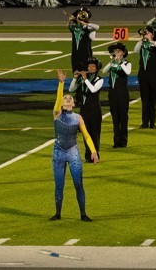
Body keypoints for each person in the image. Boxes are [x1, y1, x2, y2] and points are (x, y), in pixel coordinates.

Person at [50, 69, 98, 222]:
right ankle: (57, 214)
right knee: (59, 185)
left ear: (74, 103)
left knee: (78, 184)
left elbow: (87, 135)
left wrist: (93, 151)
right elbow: (58, 101)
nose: (68, 98)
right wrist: (61, 83)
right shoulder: (57, 113)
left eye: (70, 98)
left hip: (73, 152)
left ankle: (83, 214)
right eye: (66, 98)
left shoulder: (78, 117)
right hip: (58, 152)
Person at [69, 57, 104, 162]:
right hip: (84, 110)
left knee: (94, 133)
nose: (90, 68)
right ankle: (88, 156)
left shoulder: (99, 79)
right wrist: (75, 78)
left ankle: (95, 155)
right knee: (85, 132)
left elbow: (93, 90)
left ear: (97, 68)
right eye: (89, 66)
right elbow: (71, 89)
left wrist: (85, 79)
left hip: (94, 110)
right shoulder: (84, 78)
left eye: (93, 66)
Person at [134, 26, 156, 129]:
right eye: (144, 33)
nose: (145, 35)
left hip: (154, 74)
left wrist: (151, 41)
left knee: (153, 99)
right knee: (145, 99)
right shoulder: (142, 44)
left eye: (147, 33)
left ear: (152, 34)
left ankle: (152, 122)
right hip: (143, 74)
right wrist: (141, 40)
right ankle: (144, 122)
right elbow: (135, 50)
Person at [103, 43, 131, 149]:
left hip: (122, 92)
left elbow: (127, 72)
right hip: (113, 92)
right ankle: (116, 141)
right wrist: (112, 62)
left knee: (123, 117)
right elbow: (104, 70)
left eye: (119, 51)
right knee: (115, 117)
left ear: (123, 53)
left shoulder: (127, 63)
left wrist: (120, 62)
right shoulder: (112, 63)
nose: (116, 53)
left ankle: (123, 142)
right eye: (115, 51)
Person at [69, 7, 98, 74]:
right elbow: (69, 25)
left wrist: (86, 25)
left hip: (86, 53)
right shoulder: (75, 27)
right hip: (75, 53)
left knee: (86, 72)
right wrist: (72, 20)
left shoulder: (89, 27)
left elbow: (94, 34)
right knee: (76, 72)